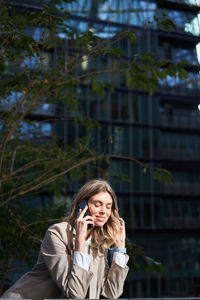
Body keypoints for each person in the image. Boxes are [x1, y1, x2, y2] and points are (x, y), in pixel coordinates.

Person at [1, 179, 129, 300]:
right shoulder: (57, 234)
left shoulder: (99, 243)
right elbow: (75, 293)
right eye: (97, 205)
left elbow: (112, 293)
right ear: (82, 206)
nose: (104, 211)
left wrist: (120, 247)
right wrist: (80, 241)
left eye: (108, 206)